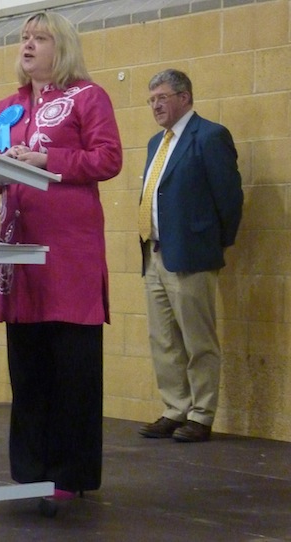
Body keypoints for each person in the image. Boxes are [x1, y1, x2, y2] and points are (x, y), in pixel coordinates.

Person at [0, 12, 122, 499]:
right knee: (28, 368)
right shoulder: (8, 107)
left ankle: (70, 475)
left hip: (68, 252)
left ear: (60, 48)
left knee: (71, 368)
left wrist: (50, 161)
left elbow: (108, 158)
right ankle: (29, 471)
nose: (27, 45)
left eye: (39, 38)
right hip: (17, 253)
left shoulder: (88, 97)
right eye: (24, 37)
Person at [137, 69, 243, 443]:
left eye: (162, 98)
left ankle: (201, 413)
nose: (155, 105)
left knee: (198, 339)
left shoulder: (210, 136)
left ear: (184, 97)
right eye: (151, 100)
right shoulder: (156, 143)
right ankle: (175, 407)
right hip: (155, 253)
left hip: (193, 254)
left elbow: (229, 199)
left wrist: (214, 244)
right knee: (163, 338)